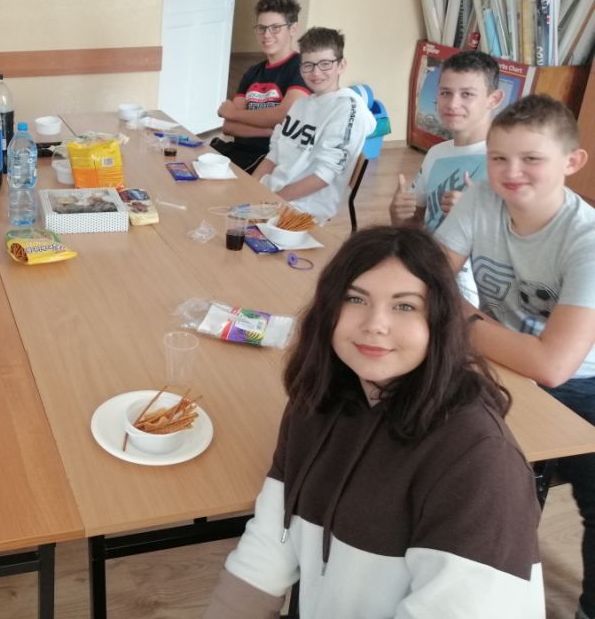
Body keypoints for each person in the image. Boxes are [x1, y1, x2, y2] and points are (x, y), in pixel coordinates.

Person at [203, 226, 543, 619]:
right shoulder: (318, 400)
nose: (375, 324)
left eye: (405, 306)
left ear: (439, 321)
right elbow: (270, 542)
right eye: (355, 299)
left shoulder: (480, 462)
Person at [436, 94, 595, 619]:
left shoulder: (587, 240)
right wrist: (456, 313)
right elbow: (430, 279)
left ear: (572, 162)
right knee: (478, 479)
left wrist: (461, 318)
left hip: (584, 382)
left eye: (531, 159)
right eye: (498, 157)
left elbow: (555, 366)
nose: (511, 172)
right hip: (503, 362)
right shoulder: (483, 198)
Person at [391, 51, 503, 303]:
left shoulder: (506, 161)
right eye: (445, 93)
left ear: (493, 99)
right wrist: (398, 213)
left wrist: (472, 216)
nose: (452, 104)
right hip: (431, 275)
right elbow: (414, 224)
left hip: (475, 297)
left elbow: (516, 247)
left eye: (467, 94)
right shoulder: (436, 153)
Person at [251, 27, 375, 222]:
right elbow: (274, 155)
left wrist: (274, 200)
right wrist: (251, 188)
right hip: (271, 196)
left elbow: (324, 176)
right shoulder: (301, 105)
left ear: (341, 65)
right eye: (308, 65)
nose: (316, 73)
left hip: (302, 210)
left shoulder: (347, 108)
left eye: (325, 64)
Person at [211, 0, 309, 172]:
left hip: (274, 161)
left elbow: (284, 116)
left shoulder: (302, 67)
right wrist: (270, 131)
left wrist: (235, 113)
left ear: (293, 28)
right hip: (240, 153)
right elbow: (229, 126)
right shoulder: (252, 72)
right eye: (261, 28)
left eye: (275, 28)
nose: (266, 35)